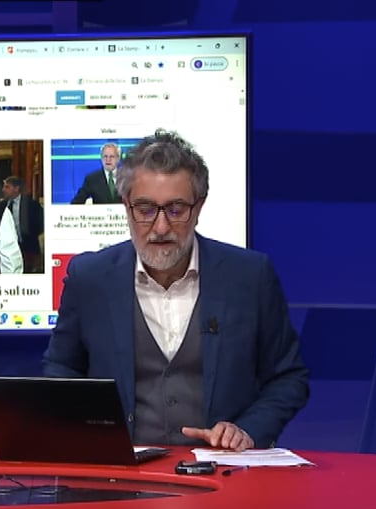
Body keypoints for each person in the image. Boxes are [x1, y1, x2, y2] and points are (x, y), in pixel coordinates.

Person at [43, 129, 309, 450]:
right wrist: (88, 430)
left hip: (224, 468)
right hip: (121, 469)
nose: (160, 227)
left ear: (198, 208)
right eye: (145, 209)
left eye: (176, 210)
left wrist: (247, 429)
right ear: (126, 206)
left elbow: (287, 378)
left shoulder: (250, 277)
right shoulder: (89, 278)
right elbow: (61, 369)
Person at [1, 175, 44, 273]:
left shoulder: (31, 204)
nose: (3, 190)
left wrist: (32, 235)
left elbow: (41, 222)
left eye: (7, 187)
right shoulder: (3, 205)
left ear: (16, 189)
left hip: (29, 247)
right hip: (9, 248)